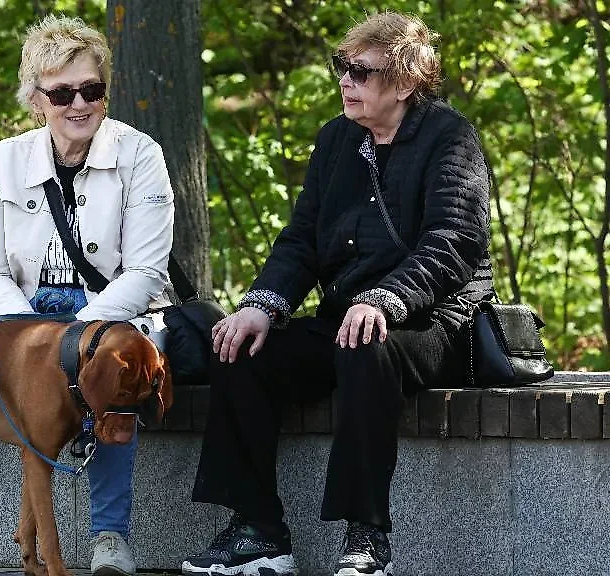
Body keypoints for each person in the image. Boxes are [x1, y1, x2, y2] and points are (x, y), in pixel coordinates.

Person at [180, 12, 493, 576]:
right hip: (346, 314)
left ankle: (365, 537)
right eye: (341, 67)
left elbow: (456, 241)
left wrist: (386, 299)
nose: (345, 80)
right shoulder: (335, 139)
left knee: (364, 345)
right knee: (239, 351)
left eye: (361, 71)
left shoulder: (451, 138)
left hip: (433, 322)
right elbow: (302, 238)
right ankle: (260, 533)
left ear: (403, 83)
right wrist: (261, 306)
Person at [0, 14, 175, 576]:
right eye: (62, 93)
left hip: (112, 310)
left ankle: (108, 538)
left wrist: (79, 335)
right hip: (23, 315)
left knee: (111, 366)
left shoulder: (139, 154)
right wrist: (24, 334)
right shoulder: (5, 159)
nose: (79, 104)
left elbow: (146, 271)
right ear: (36, 98)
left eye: (92, 90)